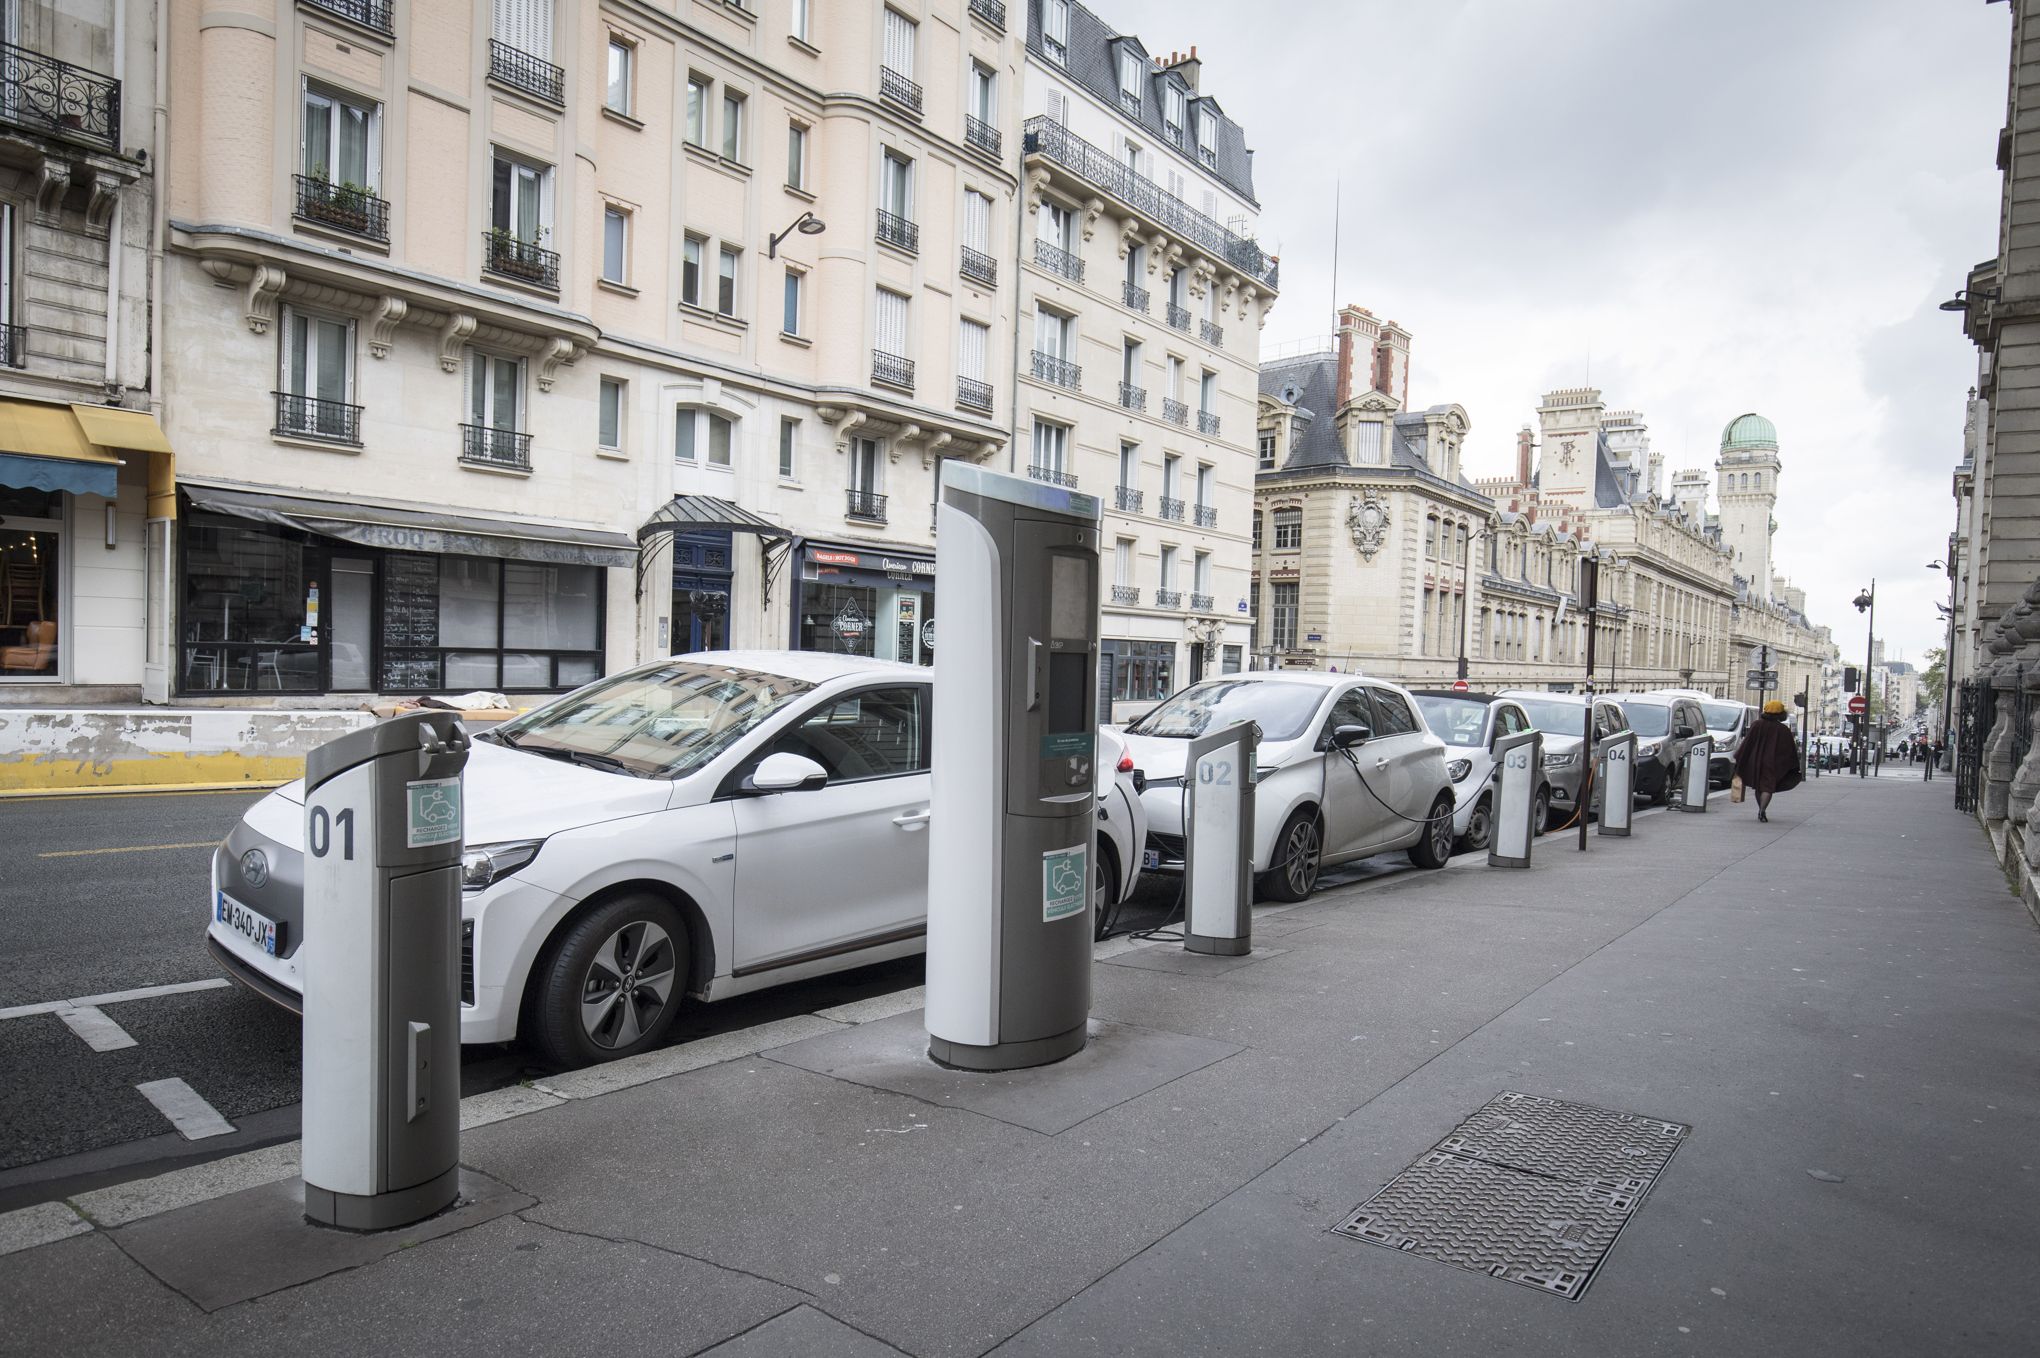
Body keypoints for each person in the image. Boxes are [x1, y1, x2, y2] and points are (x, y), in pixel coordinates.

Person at [1735, 699, 1802, 823]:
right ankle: (1762, 809)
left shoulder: (1756, 725)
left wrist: (1741, 758)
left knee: (1758, 787)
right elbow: (1788, 750)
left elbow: (1747, 744)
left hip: (1755, 761)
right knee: (1768, 787)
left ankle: (1760, 809)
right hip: (1772, 764)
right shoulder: (1783, 729)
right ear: (1781, 714)